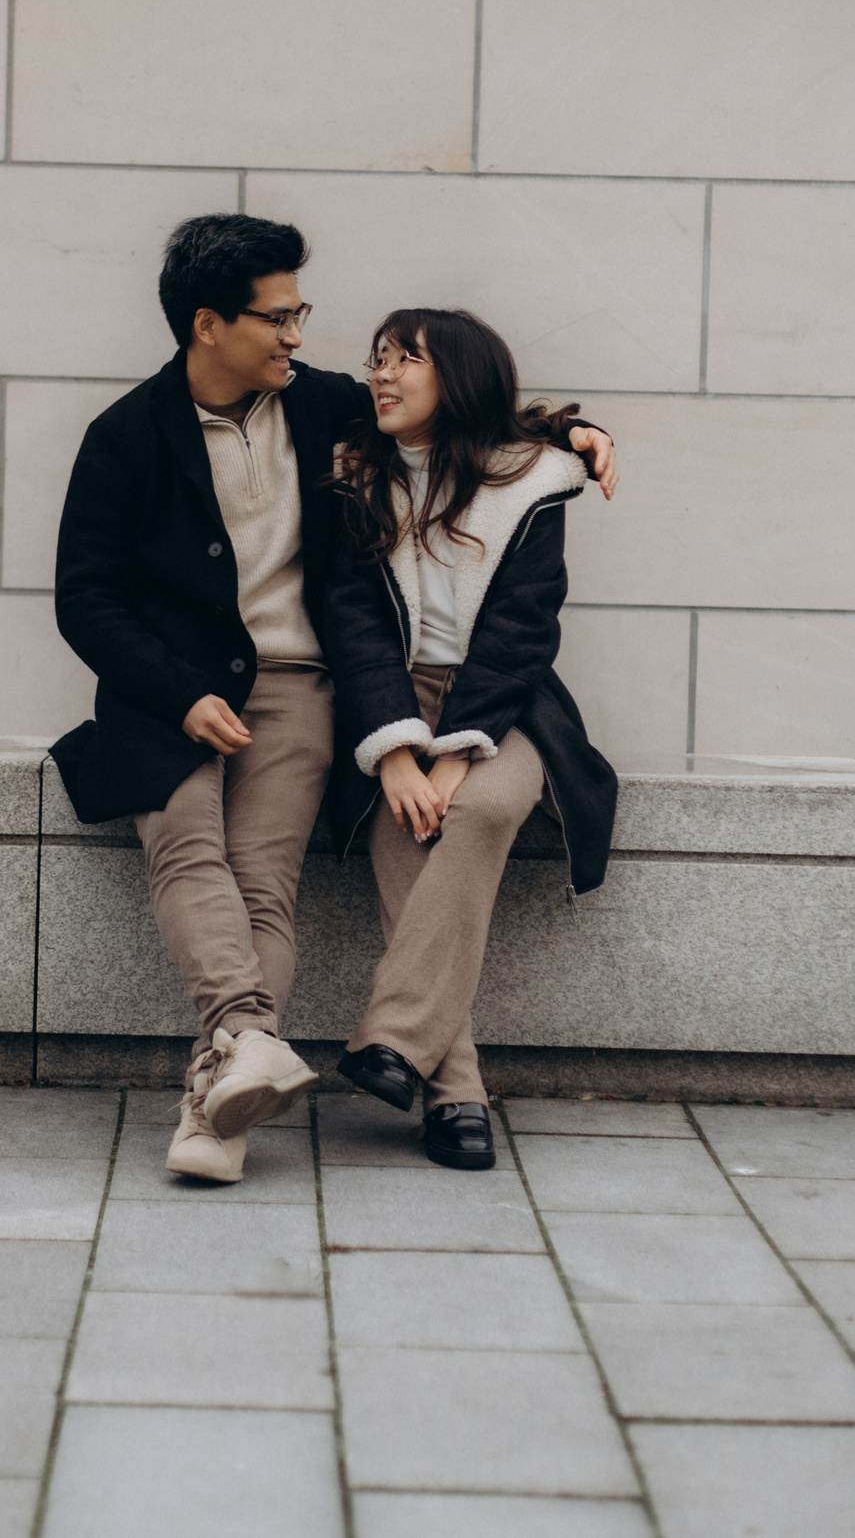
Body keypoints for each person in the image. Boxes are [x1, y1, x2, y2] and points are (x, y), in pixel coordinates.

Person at [51, 217, 616, 1184]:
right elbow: (85, 599)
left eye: (298, 313)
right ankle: (241, 1048)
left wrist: (573, 431)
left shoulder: (324, 411)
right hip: (170, 695)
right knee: (186, 841)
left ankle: (217, 1114)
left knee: (265, 880)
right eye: (278, 318)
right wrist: (179, 692)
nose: (296, 336)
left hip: (304, 688)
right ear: (207, 324)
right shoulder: (126, 436)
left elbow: (464, 415)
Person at [320, 308, 620, 1170]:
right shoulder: (353, 475)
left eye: (404, 360)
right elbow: (354, 627)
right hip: (393, 695)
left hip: (507, 700)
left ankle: (393, 1038)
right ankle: (455, 1094)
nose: (381, 374)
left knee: (482, 808)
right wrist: (399, 751)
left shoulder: (532, 481)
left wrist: (456, 751)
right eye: (376, 359)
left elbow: (523, 633)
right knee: (400, 829)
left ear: (458, 376)